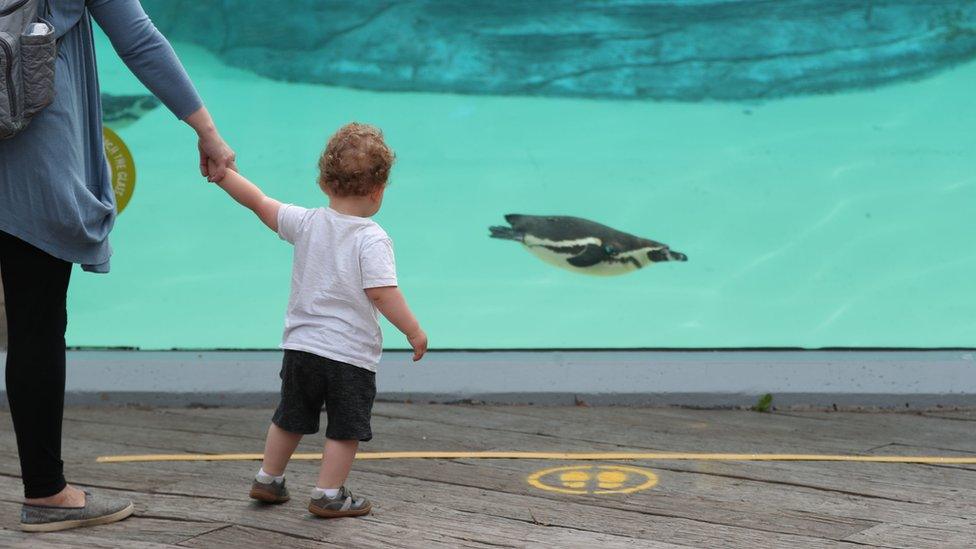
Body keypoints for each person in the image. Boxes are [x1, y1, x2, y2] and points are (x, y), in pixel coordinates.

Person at [0, 0, 235, 532]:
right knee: (35, 323)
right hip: (31, 153)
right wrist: (207, 131)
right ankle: (46, 492)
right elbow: (140, 41)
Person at [211, 122, 427, 518]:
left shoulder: (307, 222)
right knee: (345, 428)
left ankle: (268, 478)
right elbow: (382, 292)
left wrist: (224, 175)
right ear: (379, 191)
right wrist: (413, 330)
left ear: (325, 183)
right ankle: (328, 493)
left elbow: (258, 201)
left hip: (301, 348)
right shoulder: (372, 237)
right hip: (348, 356)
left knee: (290, 416)